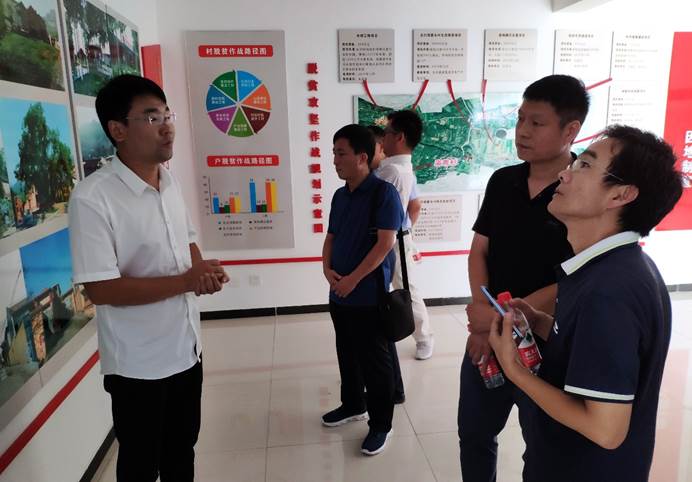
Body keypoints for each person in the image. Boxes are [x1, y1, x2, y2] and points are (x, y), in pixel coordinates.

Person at [489, 125, 683, 481]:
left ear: (621, 195)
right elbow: (594, 346)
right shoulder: (613, 267)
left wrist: (513, 368)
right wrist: (540, 322)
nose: (565, 173)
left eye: (585, 166)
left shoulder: (609, 290)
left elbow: (605, 430)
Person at [68, 74, 229, 481]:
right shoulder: (93, 198)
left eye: (167, 115)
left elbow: (187, 240)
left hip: (187, 347)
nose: (167, 127)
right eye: (152, 117)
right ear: (118, 130)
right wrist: (187, 281)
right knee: (140, 464)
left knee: (182, 452)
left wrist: (202, 271)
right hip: (138, 364)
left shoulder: (169, 182)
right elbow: (101, 289)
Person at [459, 74, 588, 481]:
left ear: (570, 130)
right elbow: (480, 250)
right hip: (488, 334)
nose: (522, 131)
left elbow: (578, 275)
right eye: (519, 119)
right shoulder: (503, 181)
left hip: (547, 341)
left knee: (543, 445)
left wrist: (503, 319)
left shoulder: (583, 190)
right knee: (475, 433)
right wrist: (485, 320)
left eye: (537, 122)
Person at [321, 124, 404, 455]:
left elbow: (385, 245)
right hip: (339, 294)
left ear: (362, 157)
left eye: (341, 153)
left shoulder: (383, 193)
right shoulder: (340, 195)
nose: (335, 160)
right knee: (346, 352)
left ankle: (382, 424)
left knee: (375, 363)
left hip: (368, 297)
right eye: (334, 153)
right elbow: (331, 237)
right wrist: (326, 269)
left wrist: (353, 280)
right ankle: (354, 404)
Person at [374, 110, 435, 360]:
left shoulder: (393, 171)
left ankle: (424, 337)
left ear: (399, 137)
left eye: (386, 133)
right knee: (400, 286)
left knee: (405, 288)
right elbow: (415, 205)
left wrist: (405, 233)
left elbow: (411, 206)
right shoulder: (397, 168)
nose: (382, 139)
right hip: (399, 236)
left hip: (394, 238)